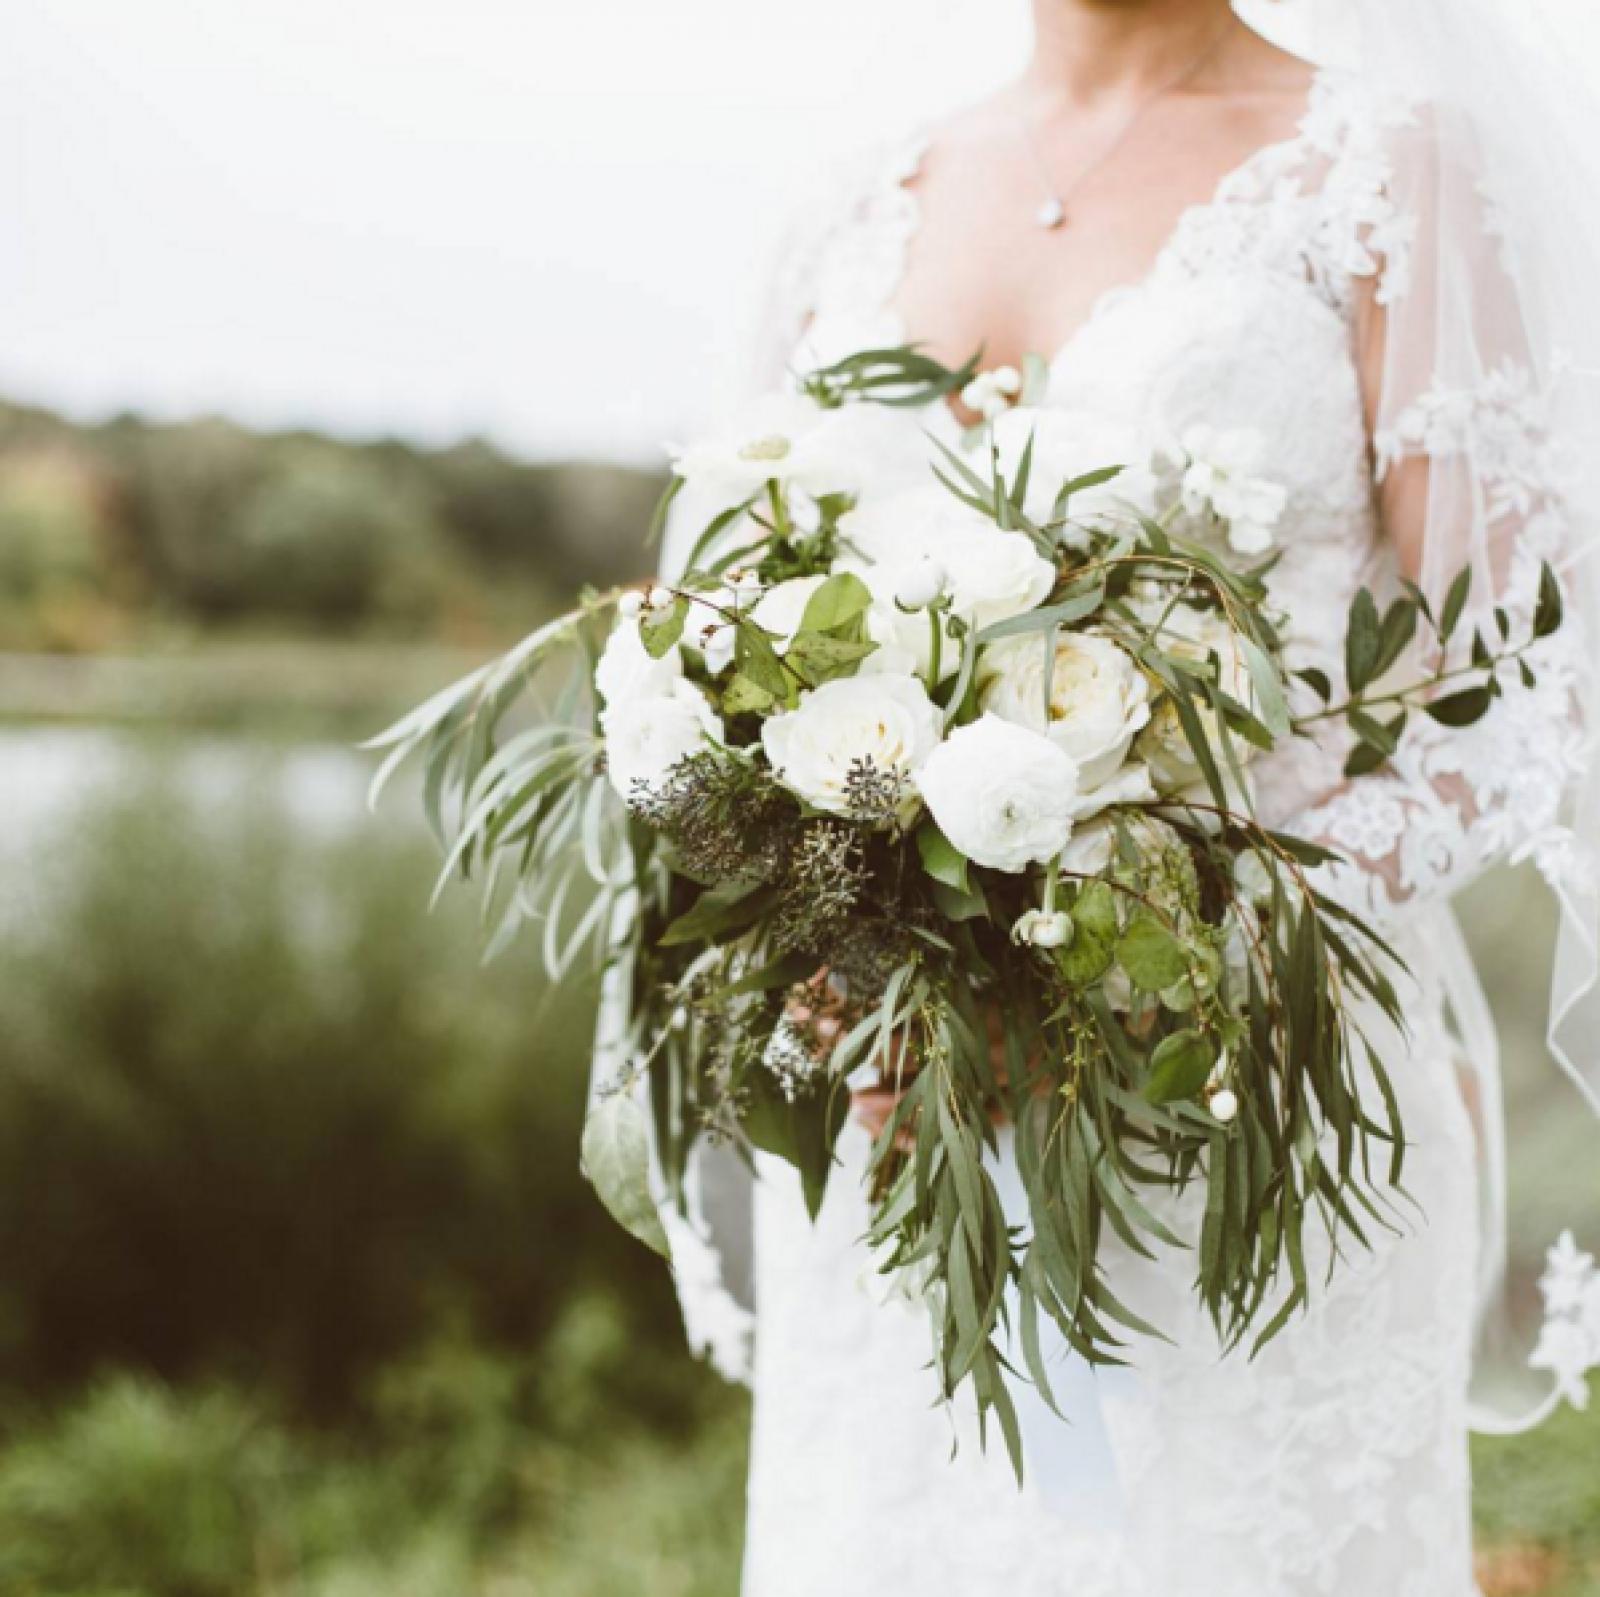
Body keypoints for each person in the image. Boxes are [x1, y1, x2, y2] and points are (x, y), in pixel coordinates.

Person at [632, 1, 1600, 1590]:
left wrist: (1158, 957)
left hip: (1260, 1094)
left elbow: (1505, 690)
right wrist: (831, 937)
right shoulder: (860, 198)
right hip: (907, 1128)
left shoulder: (1390, 172)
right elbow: (737, 641)